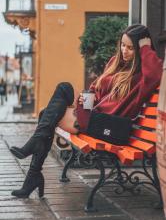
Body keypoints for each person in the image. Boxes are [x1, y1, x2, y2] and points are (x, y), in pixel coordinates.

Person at [10, 24, 163, 198]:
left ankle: (33, 173)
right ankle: (33, 173)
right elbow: (96, 89)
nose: (124, 51)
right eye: (122, 45)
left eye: (131, 48)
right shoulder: (115, 63)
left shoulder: (142, 76)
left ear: (141, 48)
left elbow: (156, 74)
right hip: (94, 116)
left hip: (109, 126)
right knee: (63, 90)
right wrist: (88, 97)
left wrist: (145, 48)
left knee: (47, 114)